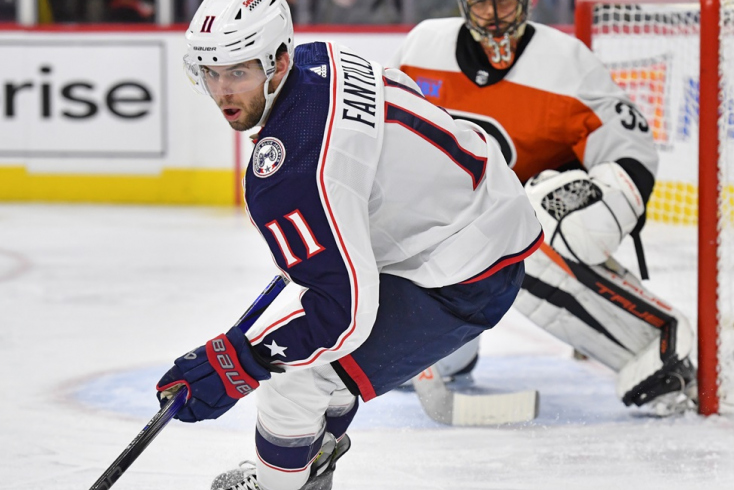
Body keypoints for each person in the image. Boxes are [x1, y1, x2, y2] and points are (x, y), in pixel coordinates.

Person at [155, 0, 544, 488]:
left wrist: (239, 360)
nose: (222, 91)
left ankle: (283, 484)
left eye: (238, 71)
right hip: (481, 208)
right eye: (209, 72)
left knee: (295, 378)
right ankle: (313, 458)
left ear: (277, 61)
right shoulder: (319, 57)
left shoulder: (292, 172)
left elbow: (344, 316)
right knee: (321, 351)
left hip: (465, 272)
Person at [388, 0, 697, 412]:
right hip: (442, 232)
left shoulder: (568, 65)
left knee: (529, 235)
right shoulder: (421, 48)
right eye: (482, 1)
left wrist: (606, 205)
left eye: (505, 0)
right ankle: (454, 348)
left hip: (527, 228)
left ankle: (657, 348)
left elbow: (631, 153)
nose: (494, 14)